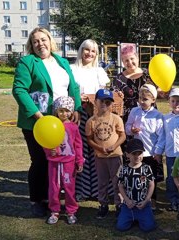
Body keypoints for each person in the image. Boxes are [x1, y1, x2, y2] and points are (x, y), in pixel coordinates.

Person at [12, 27, 81, 217]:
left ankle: (55, 198)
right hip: (37, 123)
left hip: (61, 122)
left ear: (50, 41)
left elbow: (73, 86)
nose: (40, 44)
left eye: (43, 40)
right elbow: (19, 89)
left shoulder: (62, 62)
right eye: (35, 41)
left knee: (59, 160)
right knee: (40, 161)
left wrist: (76, 108)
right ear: (31, 46)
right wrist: (37, 115)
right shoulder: (27, 63)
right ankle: (37, 200)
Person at [71, 39, 110, 201]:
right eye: (86, 50)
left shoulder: (99, 71)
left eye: (93, 51)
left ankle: (100, 191)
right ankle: (82, 190)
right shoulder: (72, 69)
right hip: (78, 115)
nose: (89, 53)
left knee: (97, 151)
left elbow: (106, 93)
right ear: (81, 50)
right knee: (80, 152)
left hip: (96, 116)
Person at [85, 89, 126, 219]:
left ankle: (119, 204)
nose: (104, 104)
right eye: (101, 101)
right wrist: (98, 148)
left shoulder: (116, 118)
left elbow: (122, 135)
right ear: (95, 102)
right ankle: (103, 204)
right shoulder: (91, 121)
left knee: (117, 181)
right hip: (100, 157)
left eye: (108, 102)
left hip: (115, 156)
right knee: (102, 182)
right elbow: (89, 139)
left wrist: (114, 146)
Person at [43, 96, 84, 225]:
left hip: (69, 163)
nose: (64, 114)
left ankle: (71, 211)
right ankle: (54, 211)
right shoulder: (51, 125)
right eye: (61, 110)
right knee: (54, 188)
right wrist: (50, 151)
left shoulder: (73, 127)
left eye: (67, 111)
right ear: (56, 111)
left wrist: (79, 161)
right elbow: (45, 141)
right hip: (54, 163)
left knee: (69, 187)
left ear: (71, 112)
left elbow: (78, 145)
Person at [125, 84, 164, 210]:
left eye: (145, 99)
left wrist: (158, 152)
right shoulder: (134, 111)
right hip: (138, 153)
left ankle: (152, 199)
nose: (142, 101)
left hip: (151, 153)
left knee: (151, 178)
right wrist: (131, 130)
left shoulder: (157, 115)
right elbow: (127, 127)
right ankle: (138, 197)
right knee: (139, 177)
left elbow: (161, 136)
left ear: (153, 100)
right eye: (140, 98)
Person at [116, 138, 157, 232]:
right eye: (134, 154)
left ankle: (142, 217)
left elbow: (151, 184)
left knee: (148, 227)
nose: (137, 156)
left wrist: (146, 200)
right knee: (121, 227)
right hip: (128, 206)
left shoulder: (147, 168)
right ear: (127, 154)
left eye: (140, 153)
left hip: (143, 205)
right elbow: (120, 185)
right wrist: (126, 200)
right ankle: (130, 217)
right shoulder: (123, 168)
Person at [111, 44, 155, 124]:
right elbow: (112, 99)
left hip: (150, 118)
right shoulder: (118, 79)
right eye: (126, 60)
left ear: (137, 58)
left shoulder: (149, 74)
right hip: (128, 120)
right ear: (123, 63)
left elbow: (160, 91)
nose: (130, 62)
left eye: (132, 58)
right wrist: (118, 96)